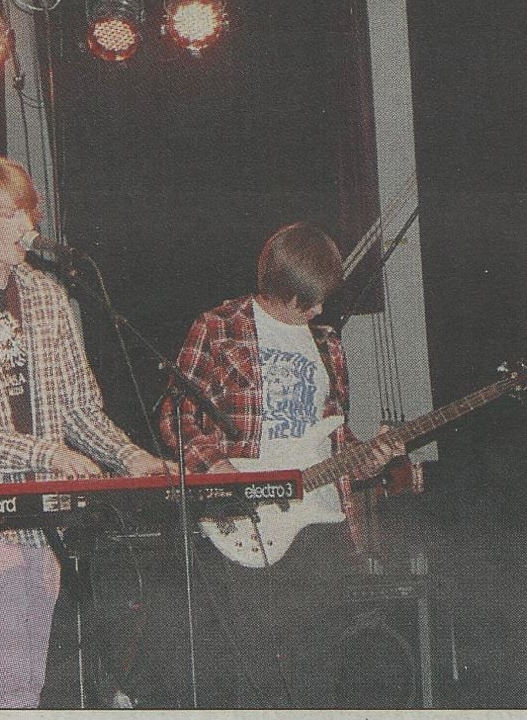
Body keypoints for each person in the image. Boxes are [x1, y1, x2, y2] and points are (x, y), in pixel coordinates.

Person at [0, 155, 177, 709]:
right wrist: (46, 452)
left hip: (46, 512)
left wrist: (130, 456)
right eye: (11, 214)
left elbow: (80, 408)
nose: (28, 226)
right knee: (9, 668)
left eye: (28, 212)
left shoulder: (47, 296)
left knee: (28, 676)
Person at [156, 221, 424, 708]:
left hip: (321, 525)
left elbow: (337, 440)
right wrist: (218, 468)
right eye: (308, 300)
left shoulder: (328, 344)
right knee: (255, 677)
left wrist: (372, 457)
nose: (318, 310)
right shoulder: (218, 327)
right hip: (249, 524)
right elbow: (177, 418)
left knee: (317, 677)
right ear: (279, 287)